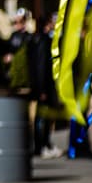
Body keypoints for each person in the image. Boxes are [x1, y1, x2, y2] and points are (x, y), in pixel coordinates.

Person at [28, 12, 63, 158]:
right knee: (42, 117)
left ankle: (45, 143)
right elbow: (41, 66)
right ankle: (41, 145)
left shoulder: (40, 40)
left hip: (45, 85)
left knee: (45, 117)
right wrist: (42, 89)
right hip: (45, 86)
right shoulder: (43, 41)